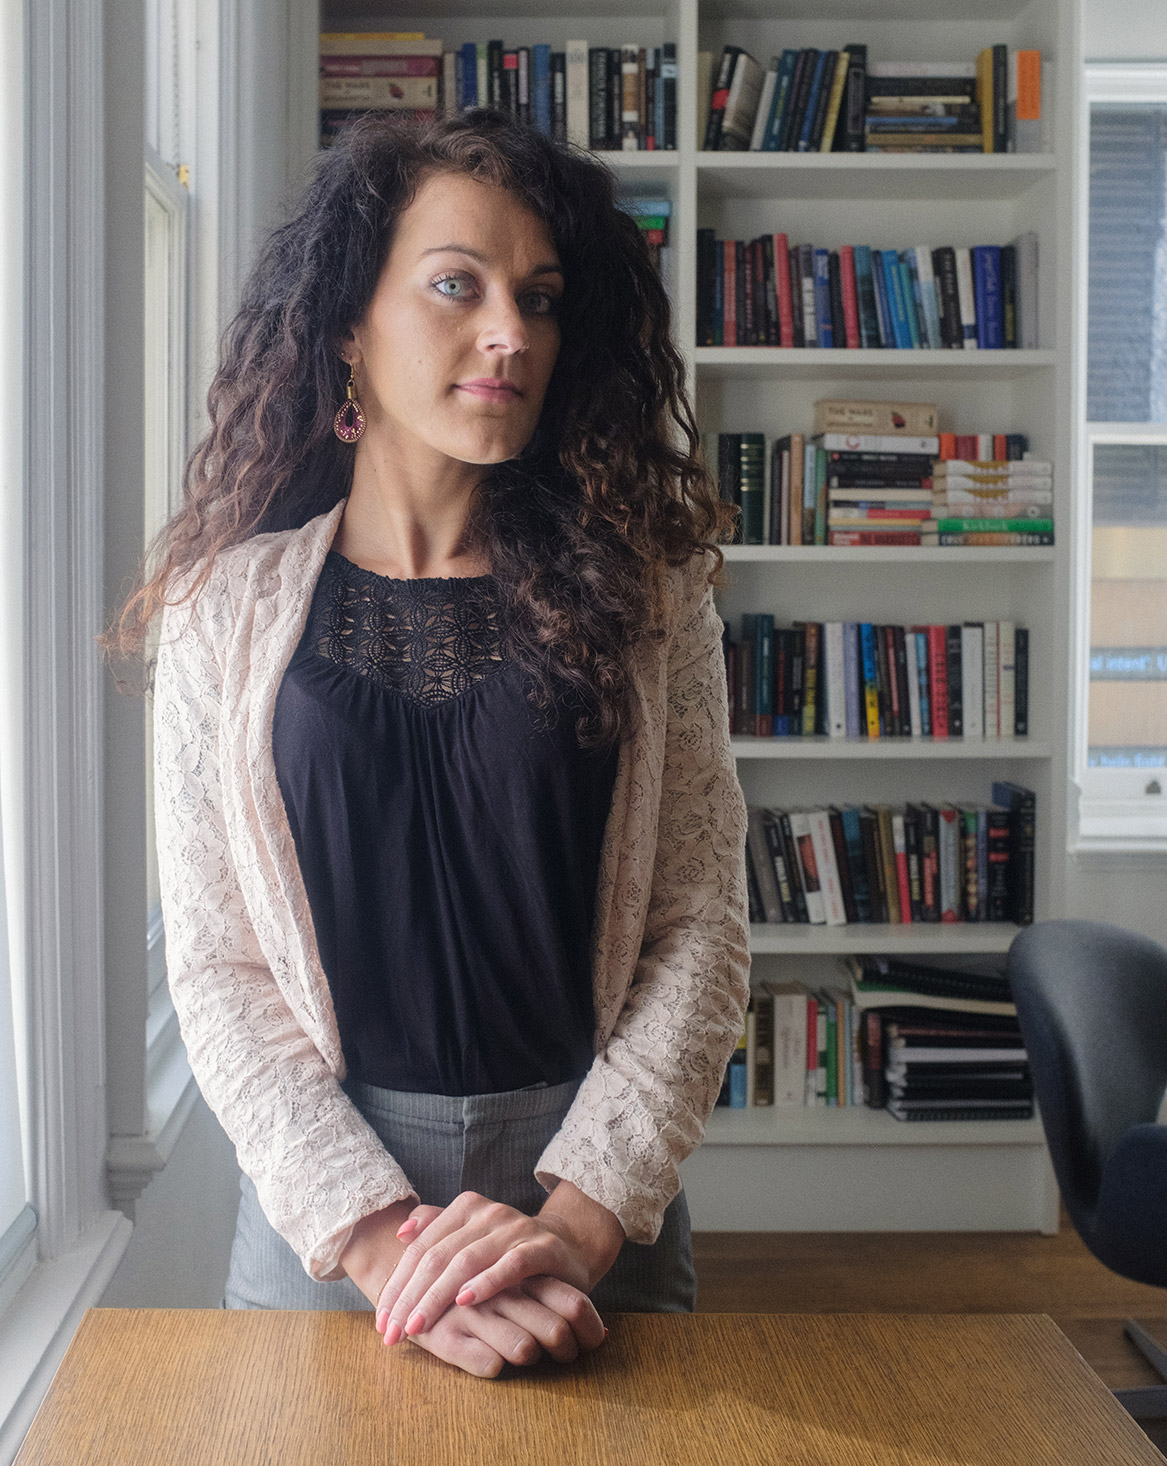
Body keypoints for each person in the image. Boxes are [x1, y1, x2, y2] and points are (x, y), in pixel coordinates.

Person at [108, 108, 749, 1379]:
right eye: (458, 285)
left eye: (543, 298)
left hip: (595, 1202)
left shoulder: (649, 597)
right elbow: (222, 967)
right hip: (336, 1230)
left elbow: (700, 923)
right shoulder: (220, 613)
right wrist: (389, 1241)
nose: (511, 331)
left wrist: (570, 1224)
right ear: (350, 322)